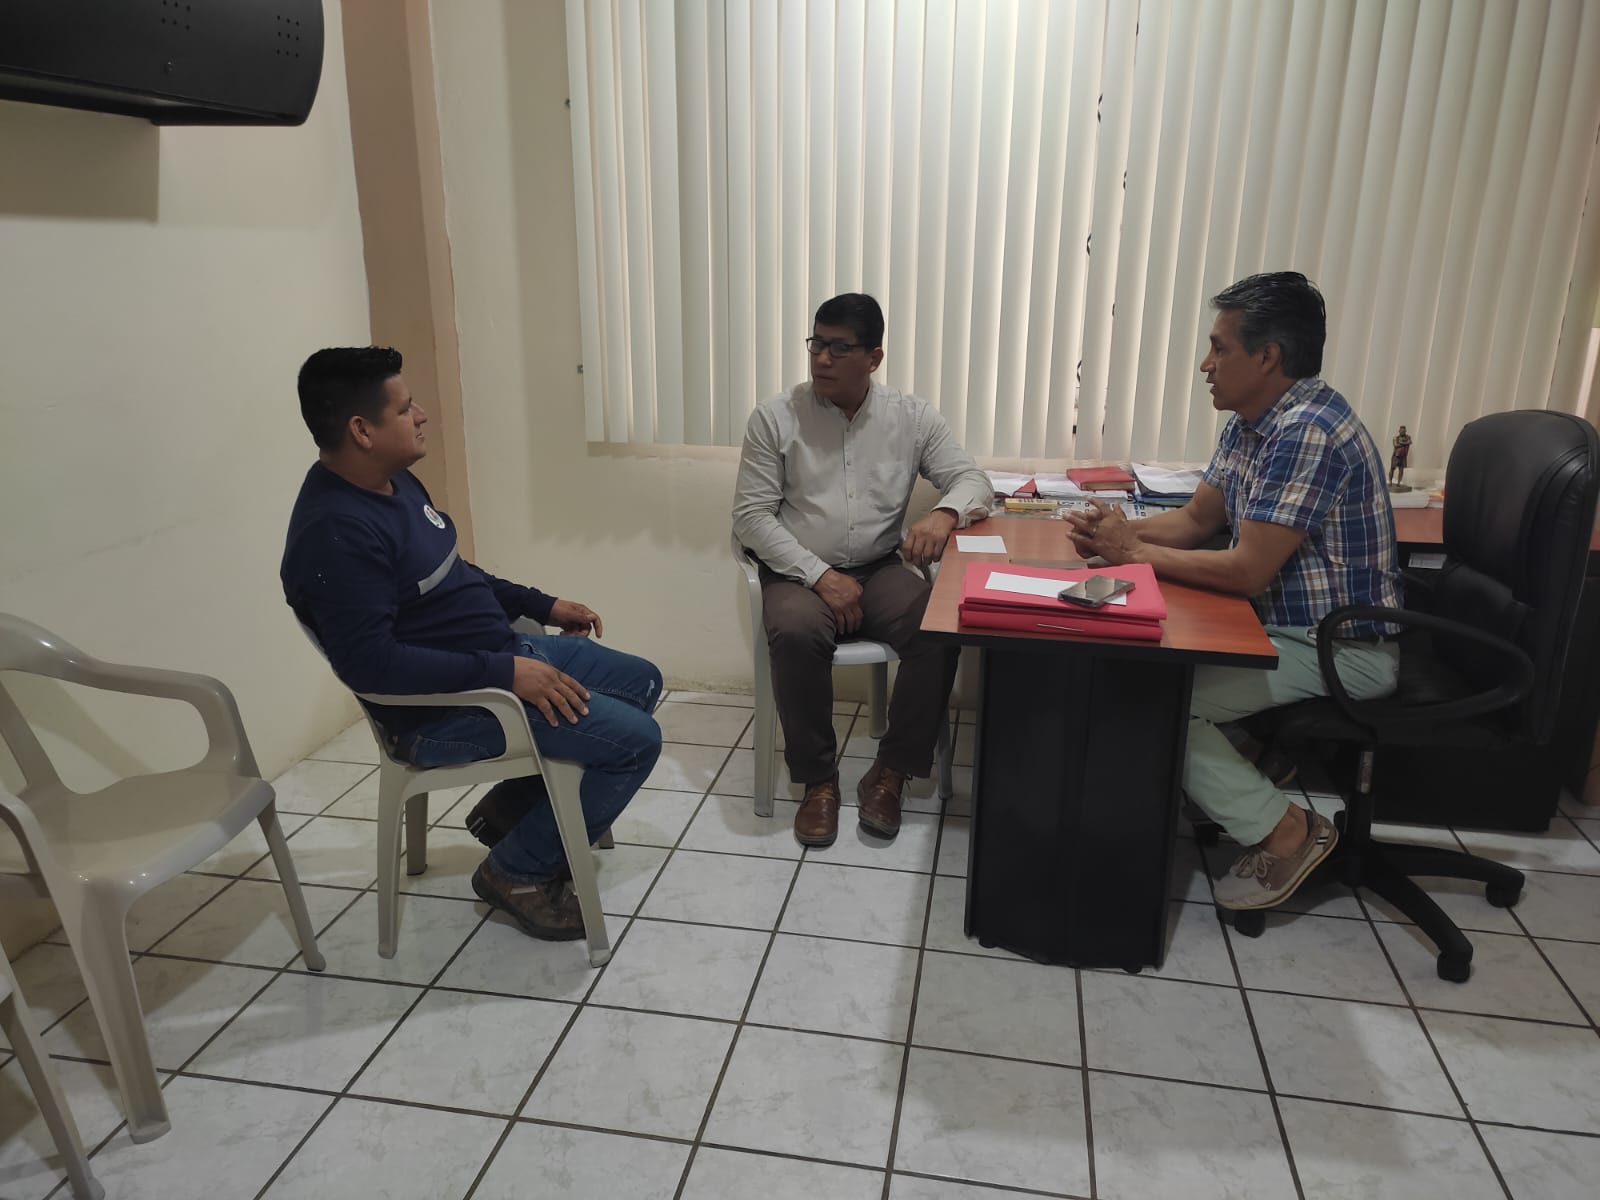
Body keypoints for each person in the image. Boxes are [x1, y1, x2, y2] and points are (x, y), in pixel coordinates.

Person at [281, 346, 663, 942]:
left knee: (643, 681)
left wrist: (542, 605)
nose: (422, 415)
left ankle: (510, 810)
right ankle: (517, 871)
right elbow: (370, 665)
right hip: (442, 713)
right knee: (635, 743)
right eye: (405, 408)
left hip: (497, 660)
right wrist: (507, 675)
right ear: (361, 430)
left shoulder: (393, 482)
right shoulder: (335, 533)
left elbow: (454, 573)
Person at [1066, 272, 1401, 911]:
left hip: (1342, 646)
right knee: (1143, 670)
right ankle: (1251, 770)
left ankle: (1287, 833)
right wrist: (1115, 531)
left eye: (1219, 348)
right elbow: (1197, 520)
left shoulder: (1306, 430)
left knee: (1153, 698)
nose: (1206, 364)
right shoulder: (1251, 422)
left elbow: (1247, 571)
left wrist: (1128, 552)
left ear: (1267, 356)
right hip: (1281, 628)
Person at [732, 293, 992, 846]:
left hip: (879, 569)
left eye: (839, 348)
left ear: (874, 358)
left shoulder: (911, 417)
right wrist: (820, 576)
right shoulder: (776, 417)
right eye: (816, 344)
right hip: (798, 573)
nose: (821, 358)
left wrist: (945, 513)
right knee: (796, 631)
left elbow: (973, 480)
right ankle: (817, 781)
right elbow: (751, 517)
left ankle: (891, 772)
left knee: (938, 626)